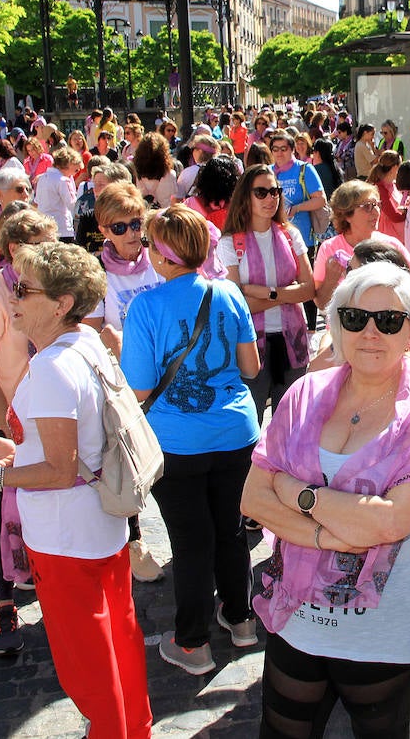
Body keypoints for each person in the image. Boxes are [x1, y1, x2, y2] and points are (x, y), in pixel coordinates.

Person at [0, 242, 154, 738]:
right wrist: (13, 453)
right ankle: (130, 728)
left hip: (66, 534)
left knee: (88, 661)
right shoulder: (84, 342)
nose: (10, 295)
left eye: (23, 288)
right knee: (118, 639)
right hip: (96, 525)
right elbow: (75, 448)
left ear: (60, 303)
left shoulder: (55, 365)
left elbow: (61, 470)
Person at [241, 262, 410, 738]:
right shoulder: (303, 395)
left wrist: (297, 493)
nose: (371, 332)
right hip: (296, 615)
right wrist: (331, 531)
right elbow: (254, 499)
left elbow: (389, 525)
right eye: (356, 318)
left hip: (383, 630)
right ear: (338, 324)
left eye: (390, 320)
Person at [119, 204, 262, 676]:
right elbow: (251, 368)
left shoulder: (145, 307)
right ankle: (240, 621)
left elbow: (139, 389)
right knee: (231, 529)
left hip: (176, 443)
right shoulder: (229, 294)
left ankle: (192, 643)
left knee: (191, 540)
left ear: (162, 256)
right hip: (235, 432)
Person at [0, 208, 57, 657]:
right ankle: (5, 599)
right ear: (15, 251)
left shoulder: (51, 286)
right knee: (4, 510)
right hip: (4, 419)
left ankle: (42, 580)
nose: (49, 253)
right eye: (40, 246)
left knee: (43, 502)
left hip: (46, 415)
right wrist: (12, 431)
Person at [79, 181, 166, 584]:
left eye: (137, 224)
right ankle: (134, 542)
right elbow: (96, 330)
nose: (132, 234)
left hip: (167, 376)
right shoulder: (96, 273)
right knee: (128, 463)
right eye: (120, 227)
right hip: (124, 384)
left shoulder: (158, 260)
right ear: (103, 228)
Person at [218, 165, 314, 424]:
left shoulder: (289, 234)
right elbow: (239, 304)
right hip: (251, 345)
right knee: (251, 420)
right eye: (261, 192)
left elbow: (308, 289)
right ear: (245, 196)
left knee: (291, 423)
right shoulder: (230, 242)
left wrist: (267, 293)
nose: (270, 198)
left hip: (292, 340)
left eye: (275, 191)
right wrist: (285, 295)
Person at [313, 181, 410, 309]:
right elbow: (321, 304)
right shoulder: (329, 248)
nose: (376, 212)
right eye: (367, 206)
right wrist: (331, 280)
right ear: (346, 215)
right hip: (345, 326)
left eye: (377, 205)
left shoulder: (391, 245)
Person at [268, 130, 327, 249]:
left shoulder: (304, 169)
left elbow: (321, 200)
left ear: (292, 149)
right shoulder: (267, 171)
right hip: (274, 240)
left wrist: (296, 208)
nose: (279, 153)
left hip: (302, 239)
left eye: (283, 149)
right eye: (275, 149)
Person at [34, 146, 82, 244]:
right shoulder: (63, 180)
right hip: (62, 229)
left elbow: (37, 202)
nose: (75, 173)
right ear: (69, 164)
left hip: (44, 229)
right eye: (75, 170)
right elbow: (73, 205)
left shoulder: (42, 178)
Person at [133, 132, 180, 207]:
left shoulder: (138, 175)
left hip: (145, 214)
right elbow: (174, 200)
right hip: (163, 215)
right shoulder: (170, 175)